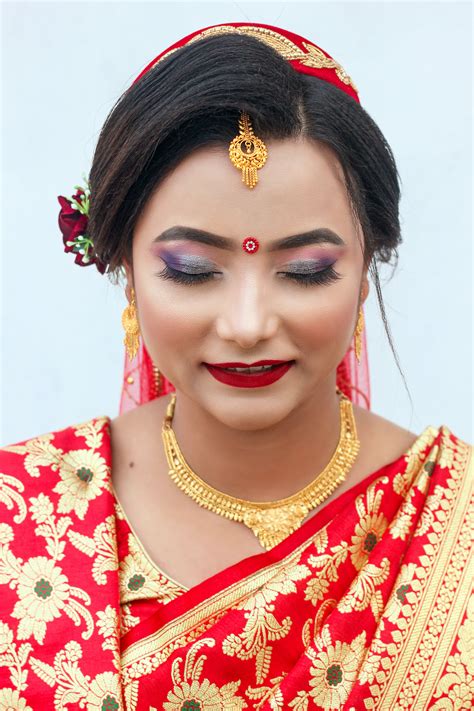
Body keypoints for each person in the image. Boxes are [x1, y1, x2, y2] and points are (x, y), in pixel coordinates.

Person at [0, 21, 471, 711]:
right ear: (127, 272)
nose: (248, 324)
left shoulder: (453, 524)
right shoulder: (22, 515)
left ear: (365, 272)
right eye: (193, 270)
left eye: (305, 271)